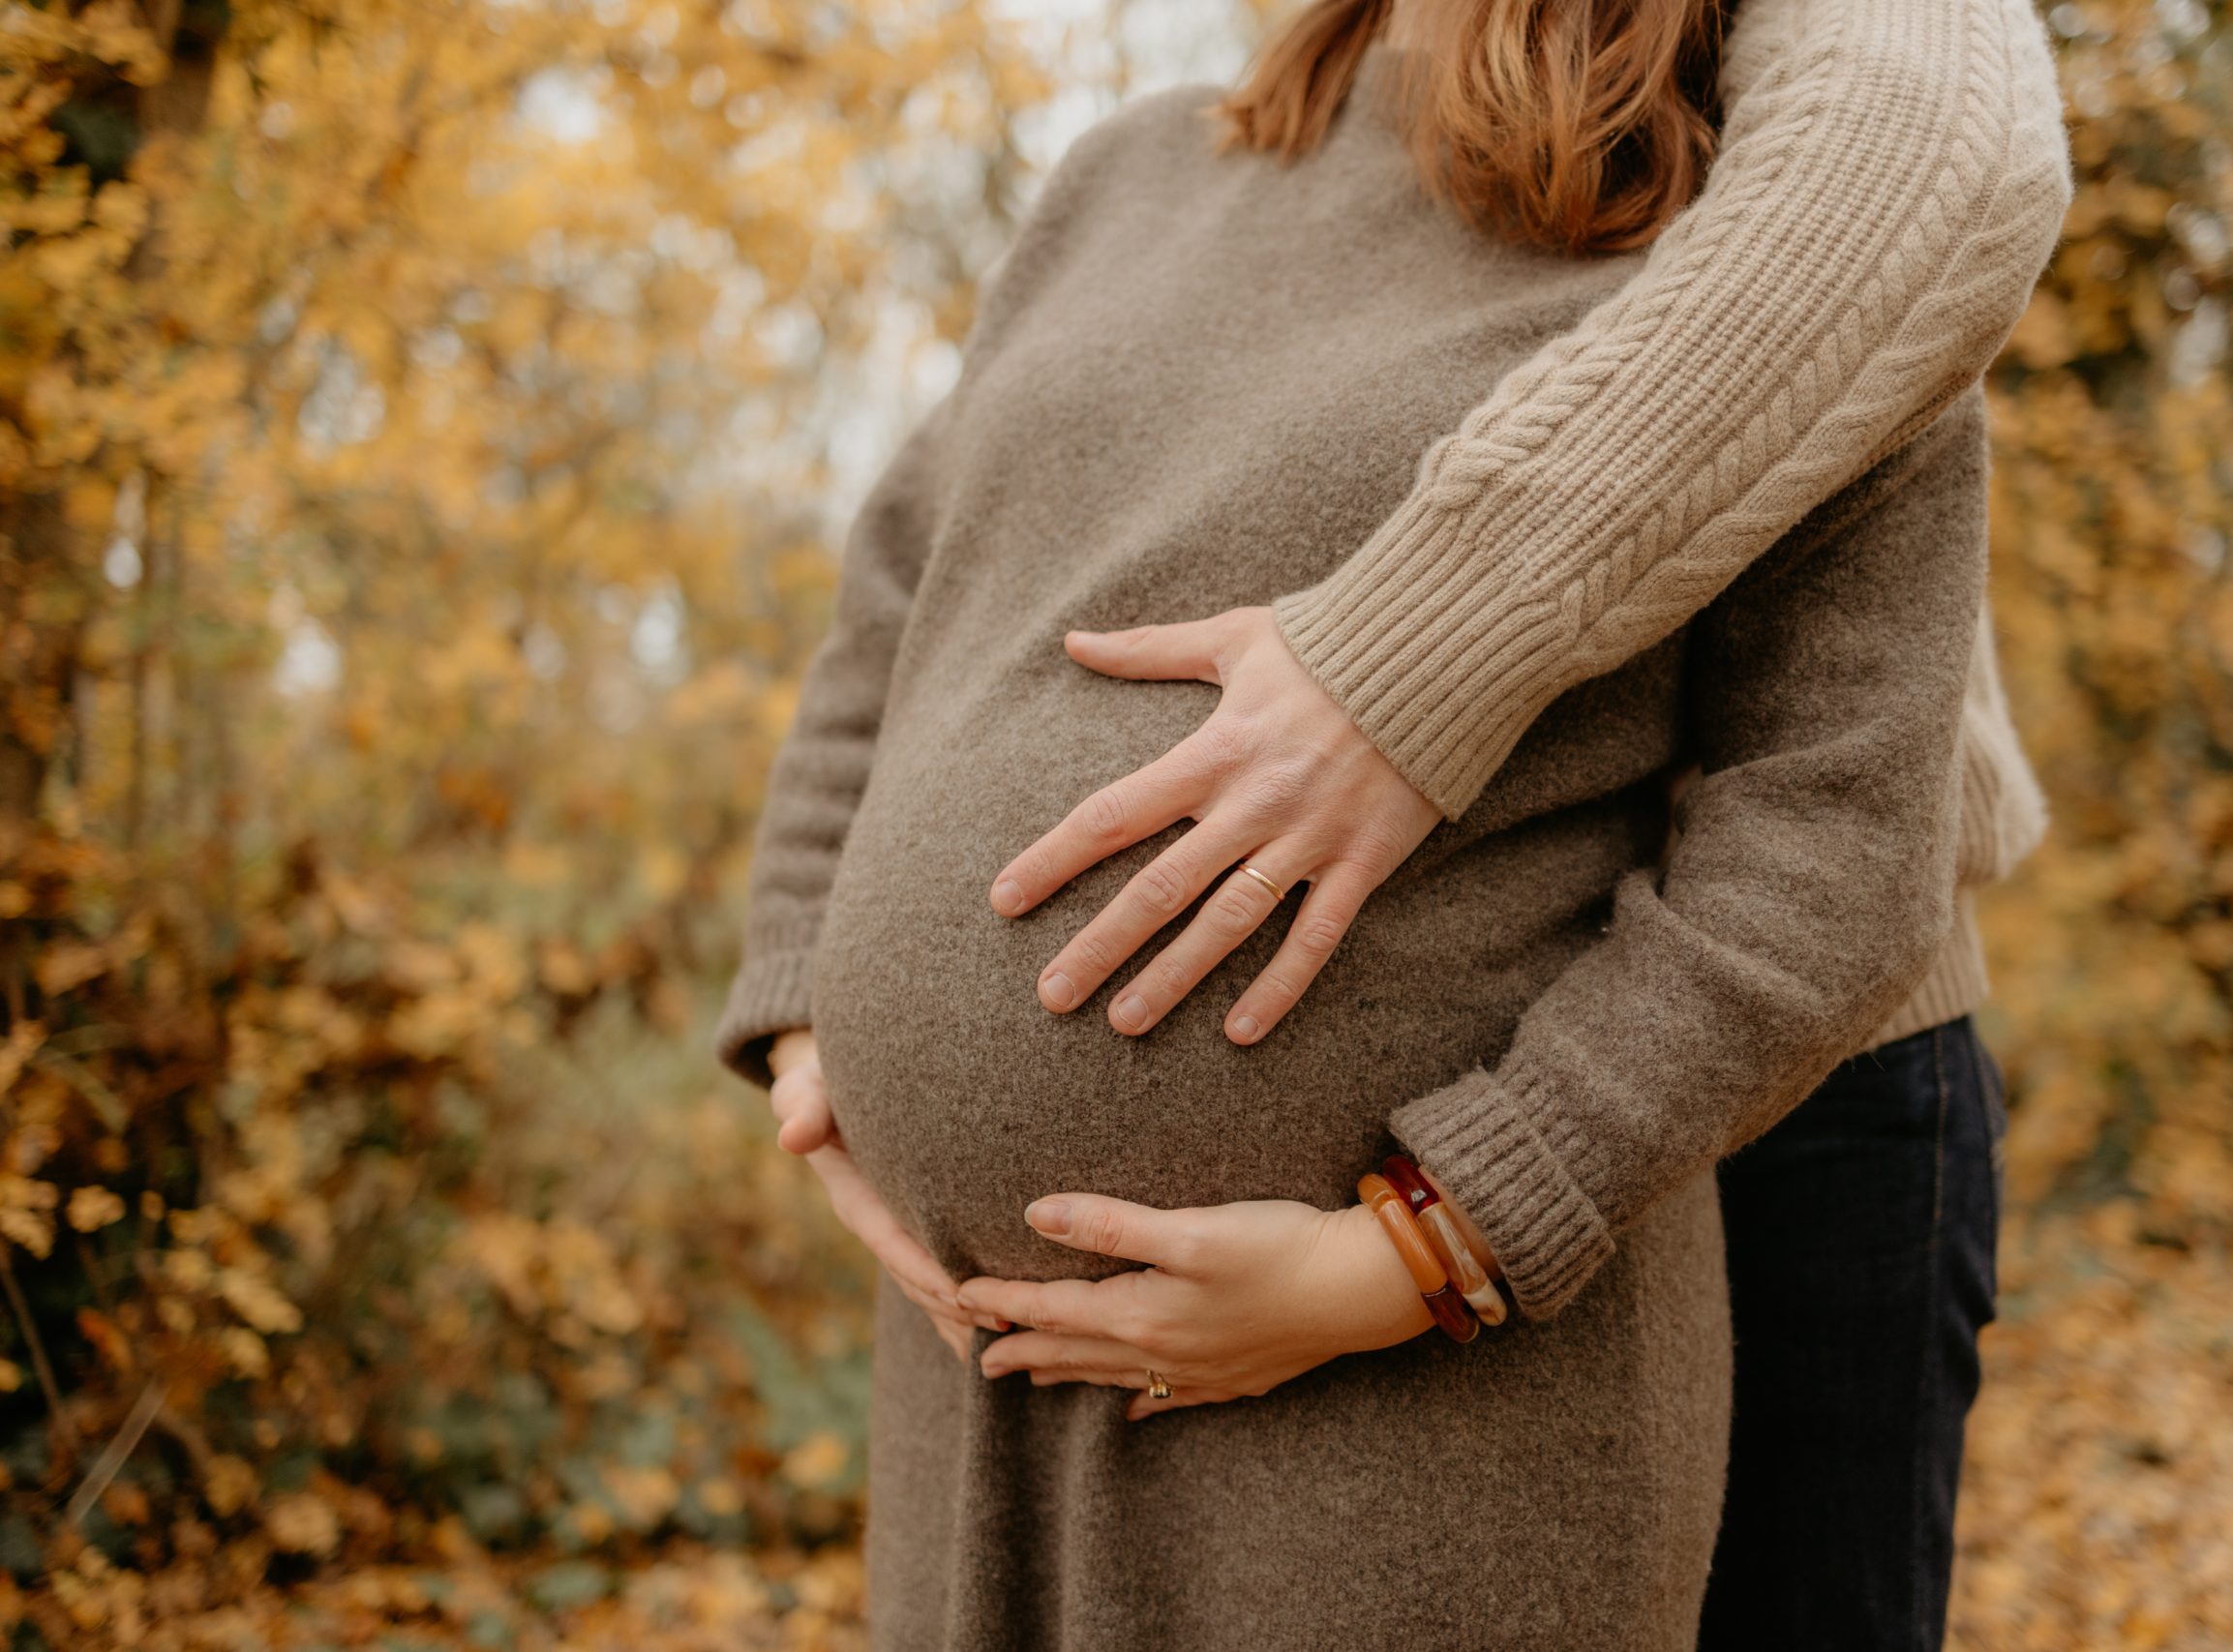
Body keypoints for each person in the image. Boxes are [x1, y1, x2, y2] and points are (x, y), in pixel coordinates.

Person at [718, 0, 2068, 1645]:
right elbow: (900, 595)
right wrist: (810, 1006)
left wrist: (1432, 1245)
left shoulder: (1765, 245)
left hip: (1438, 1392)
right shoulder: (1127, 174)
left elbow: (1830, 838)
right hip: (974, 1385)